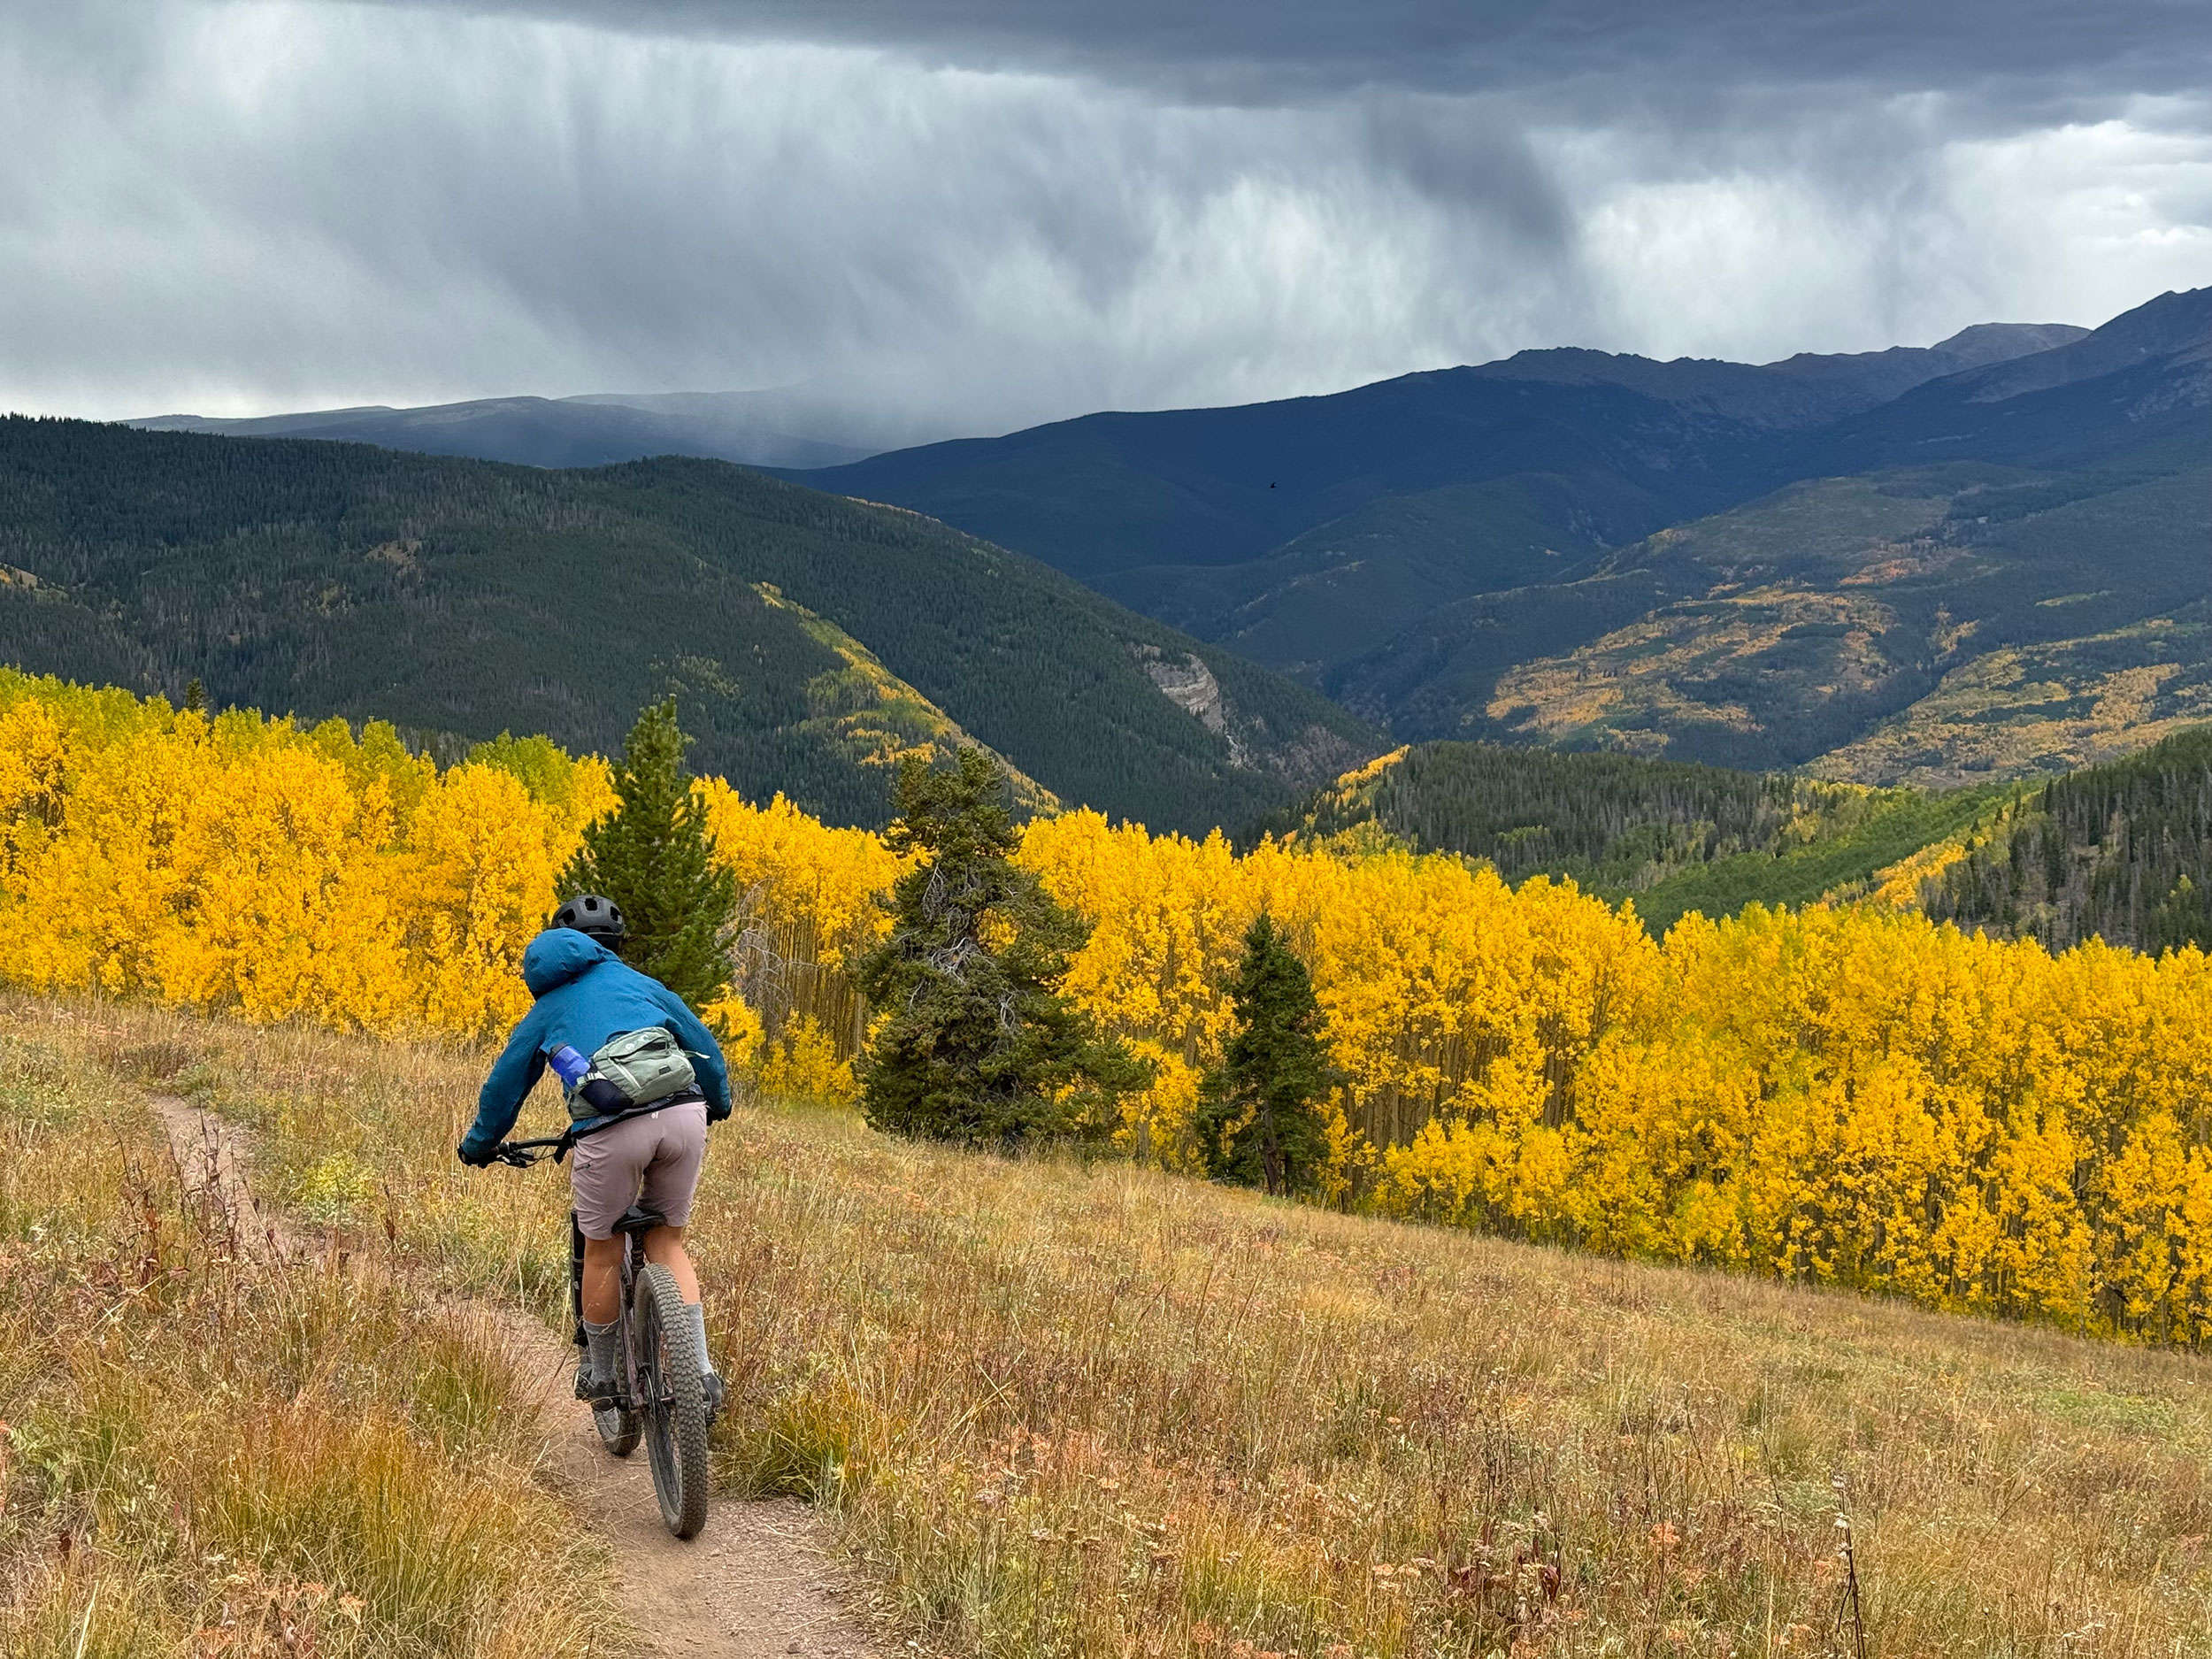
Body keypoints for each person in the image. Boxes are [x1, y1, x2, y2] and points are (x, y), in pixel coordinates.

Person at [457, 894, 731, 1413]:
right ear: (610, 949)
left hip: (609, 1128)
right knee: (668, 1242)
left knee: (601, 1247)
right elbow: (705, 1048)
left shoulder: (548, 1008)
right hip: (683, 1116)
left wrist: (480, 1145)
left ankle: (604, 1377)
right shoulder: (648, 987)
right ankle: (700, 1376)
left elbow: (505, 1086)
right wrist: (717, 1103)